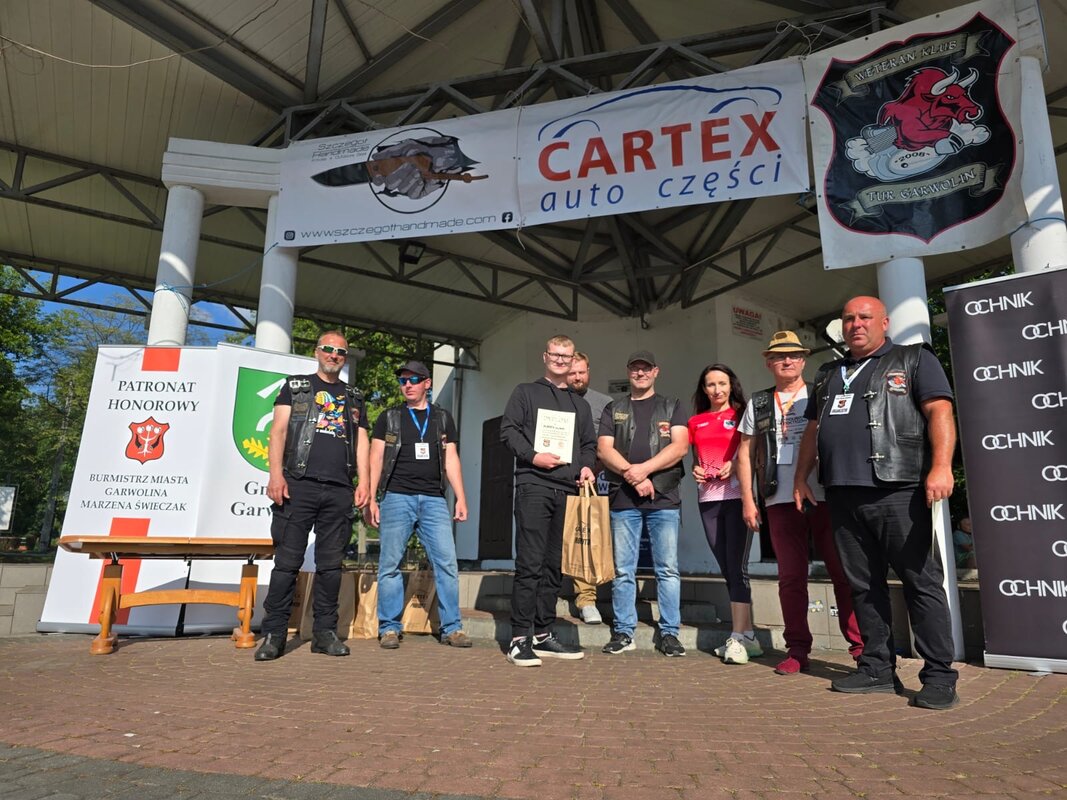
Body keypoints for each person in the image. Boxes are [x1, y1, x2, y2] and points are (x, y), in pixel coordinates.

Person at [794, 296, 959, 710]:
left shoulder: (914, 359)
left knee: (921, 582)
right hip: (841, 492)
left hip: (899, 489)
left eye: (865, 317)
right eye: (849, 318)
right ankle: (877, 669)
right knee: (863, 585)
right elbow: (812, 430)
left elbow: (939, 411)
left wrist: (942, 467)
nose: (856, 324)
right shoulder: (828, 373)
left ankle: (940, 676)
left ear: (884, 322)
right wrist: (800, 477)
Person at [736, 331, 863, 675]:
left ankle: (861, 649)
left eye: (793, 355)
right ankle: (797, 649)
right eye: (779, 356)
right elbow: (745, 453)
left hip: (825, 495)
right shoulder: (759, 402)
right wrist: (748, 500)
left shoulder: (821, 393)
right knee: (791, 578)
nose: (787, 361)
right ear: (768, 362)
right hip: (778, 498)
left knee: (843, 573)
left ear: (804, 360)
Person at [256, 331, 370, 661]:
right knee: (286, 564)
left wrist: (364, 482)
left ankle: (324, 633)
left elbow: (362, 442)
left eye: (340, 351)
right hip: (299, 484)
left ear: (345, 358)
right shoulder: (296, 387)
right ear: (317, 351)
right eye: (328, 349)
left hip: (339, 488)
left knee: (331, 567)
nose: (334, 355)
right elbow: (278, 432)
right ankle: (274, 635)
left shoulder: (355, 397)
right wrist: (275, 475)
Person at [500, 335, 597, 666]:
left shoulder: (580, 405)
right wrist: (533, 456)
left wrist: (587, 466)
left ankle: (543, 634)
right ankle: (519, 639)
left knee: (554, 565)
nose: (560, 360)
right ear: (545, 357)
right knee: (530, 563)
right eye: (555, 354)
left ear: (573, 361)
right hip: (534, 485)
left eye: (566, 356)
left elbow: (589, 445)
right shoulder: (525, 393)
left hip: (566, 490)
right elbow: (508, 431)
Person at [366, 360, 472, 650]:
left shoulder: (442, 418)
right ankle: (389, 628)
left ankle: (452, 628)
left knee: (447, 564)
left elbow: (451, 458)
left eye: (413, 380)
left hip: (434, 500)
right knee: (389, 565)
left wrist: (461, 497)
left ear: (427, 383)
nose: (407, 385)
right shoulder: (389, 417)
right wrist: (371, 498)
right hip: (396, 497)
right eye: (403, 381)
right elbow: (376, 458)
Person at [599, 351, 689, 657]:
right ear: (628, 372)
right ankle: (624, 632)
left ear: (656, 371)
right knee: (623, 570)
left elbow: (680, 447)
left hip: (664, 497)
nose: (640, 373)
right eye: (635, 368)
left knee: (667, 570)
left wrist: (644, 470)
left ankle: (670, 633)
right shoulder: (614, 408)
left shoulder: (672, 406)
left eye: (646, 368)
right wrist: (633, 475)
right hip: (624, 499)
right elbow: (604, 450)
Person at [687, 363, 757, 665]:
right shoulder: (696, 421)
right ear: (704, 389)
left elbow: (753, 452)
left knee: (738, 567)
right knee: (727, 568)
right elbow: (696, 459)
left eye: (722, 383)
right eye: (711, 384)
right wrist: (696, 470)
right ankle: (749, 636)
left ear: (731, 386)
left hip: (737, 497)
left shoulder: (743, 415)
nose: (717, 389)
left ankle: (738, 637)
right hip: (708, 500)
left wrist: (736, 464)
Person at [566, 351, 614, 625]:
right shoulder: (554, 399)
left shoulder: (604, 403)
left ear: (588, 372)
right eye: (572, 372)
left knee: (587, 538)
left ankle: (586, 599)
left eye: (581, 372)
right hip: (558, 479)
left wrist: (592, 470)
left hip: (592, 480)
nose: (577, 377)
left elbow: (610, 444)